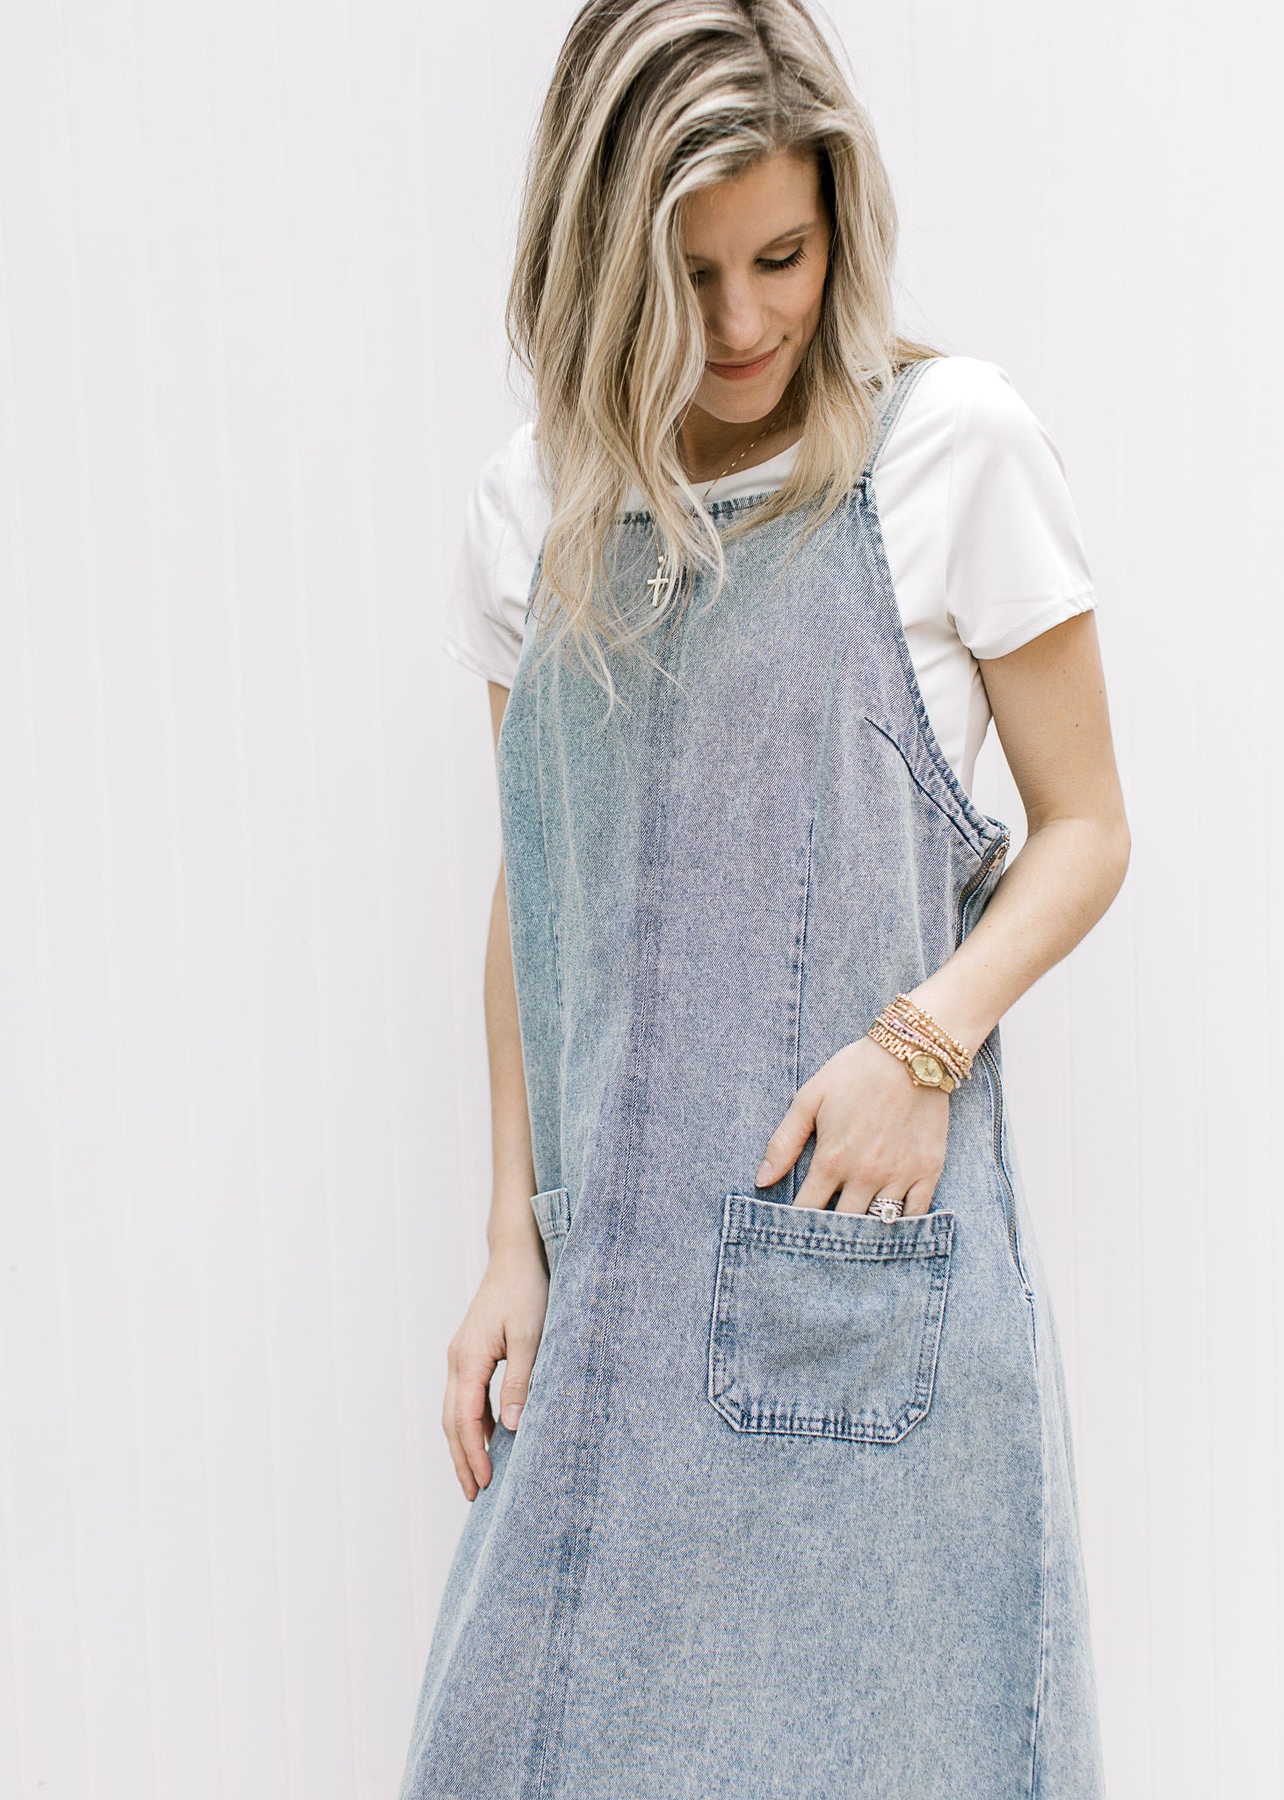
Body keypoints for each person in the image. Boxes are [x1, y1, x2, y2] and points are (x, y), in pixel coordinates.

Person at [401, 3, 1128, 1795]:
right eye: (688, 273)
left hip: (862, 1300)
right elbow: (536, 889)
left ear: (839, 222)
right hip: (605, 1294)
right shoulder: (533, 509)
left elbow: (1087, 830)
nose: (741, 323)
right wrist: (508, 1241)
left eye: (781, 258)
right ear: (601, 264)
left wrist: (921, 1041)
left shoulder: (952, 449)